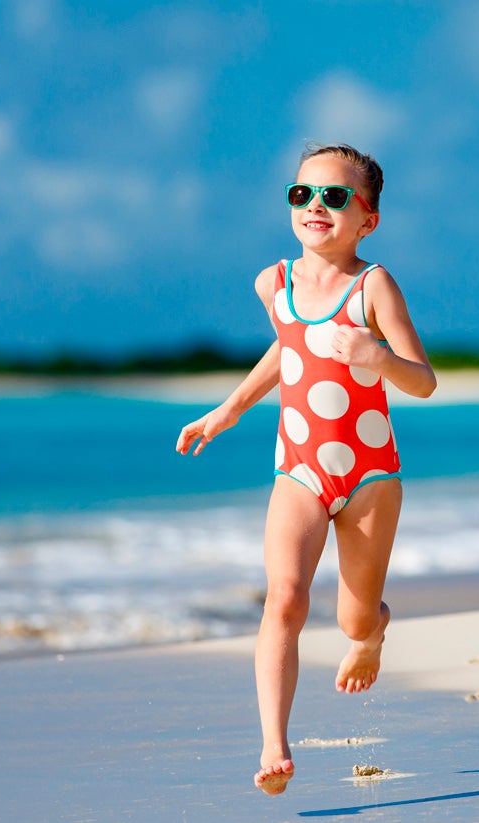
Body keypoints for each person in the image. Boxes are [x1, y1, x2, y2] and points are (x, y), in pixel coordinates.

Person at [175, 143, 435, 795]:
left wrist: (376, 355)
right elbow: (285, 347)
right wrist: (227, 409)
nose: (315, 206)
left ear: (366, 219)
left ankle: (374, 631)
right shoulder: (275, 283)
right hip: (299, 469)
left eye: (334, 196)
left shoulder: (373, 285)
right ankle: (273, 743)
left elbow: (424, 380)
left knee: (353, 618)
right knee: (285, 597)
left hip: (371, 477)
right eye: (302, 195)